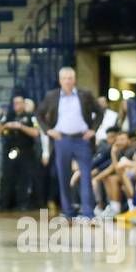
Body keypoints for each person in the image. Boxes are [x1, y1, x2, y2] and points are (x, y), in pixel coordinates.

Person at [37, 67, 103, 220]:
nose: (68, 81)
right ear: (60, 80)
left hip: (82, 139)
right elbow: (39, 114)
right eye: (65, 78)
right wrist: (48, 131)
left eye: (70, 78)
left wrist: (93, 129)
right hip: (62, 140)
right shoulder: (51, 96)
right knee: (63, 176)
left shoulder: (85, 94)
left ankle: (88, 213)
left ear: (75, 79)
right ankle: (68, 212)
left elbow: (99, 112)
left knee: (85, 176)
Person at [0, 95, 39, 211]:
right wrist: (5, 125)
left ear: (24, 104)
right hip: (10, 151)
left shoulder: (30, 117)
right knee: (7, 178)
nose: (16, 105)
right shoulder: (8, 116)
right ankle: (4, 204)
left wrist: (20, 127)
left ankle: (23, 204)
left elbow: (35, 132)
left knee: (24, 178)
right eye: (14, 103)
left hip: (25, 151)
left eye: (19, 103)